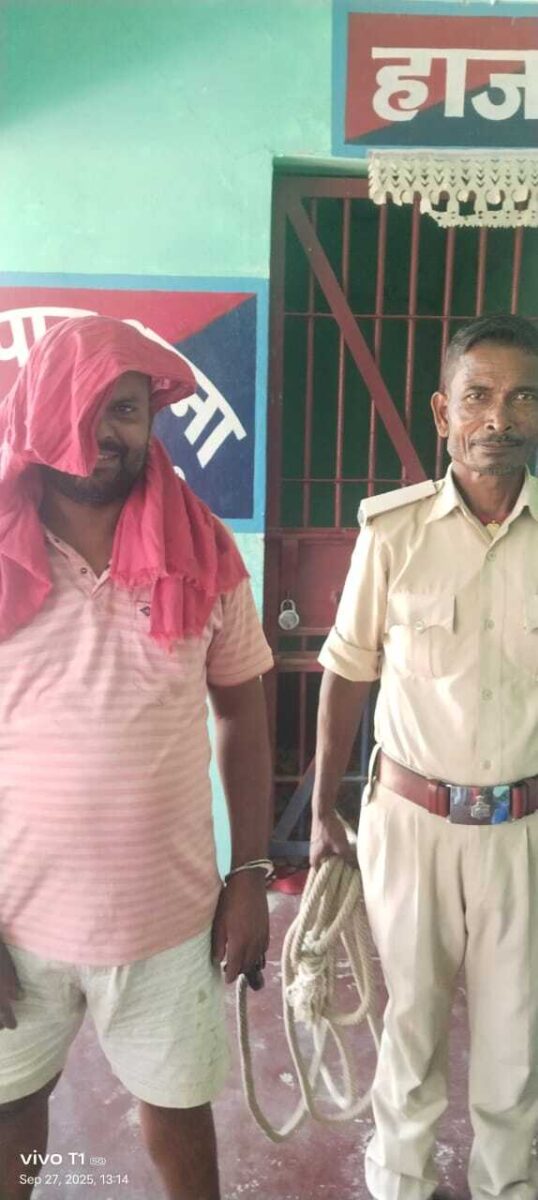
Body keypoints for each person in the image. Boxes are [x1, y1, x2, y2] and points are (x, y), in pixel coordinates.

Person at [0, 315, 274, 1200]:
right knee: (11, 1111)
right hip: (13, 921)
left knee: (179, 1119)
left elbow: (241, 710)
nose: (104, 430)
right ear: (35, 410)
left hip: (167, 921)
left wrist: (251, 874)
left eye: (125, 408)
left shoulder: (205, 552)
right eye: (82, 405)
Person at [310, 313, 538, 1200]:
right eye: (477, 396)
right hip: (411, 825)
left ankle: (506, 1186)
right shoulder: (394, 533)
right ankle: (401, 1183)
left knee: (517, 1045)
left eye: (521, 397)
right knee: (408, 1030)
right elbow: (346, 672)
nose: (498, 417)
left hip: (523, 834)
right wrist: (322, 812)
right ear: (444, 414)